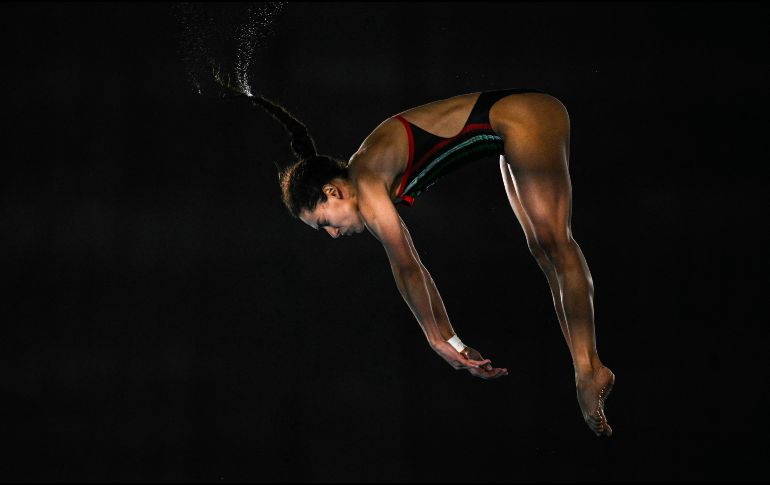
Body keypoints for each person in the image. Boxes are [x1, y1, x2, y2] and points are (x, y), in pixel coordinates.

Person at [249, 88, 615, 437]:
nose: (332, 235)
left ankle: (590, 369)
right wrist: (450, 340)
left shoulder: (367, 180)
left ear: (333, 191)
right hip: (509, 129)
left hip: (527, 116)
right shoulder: (368, 175)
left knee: (555, 243)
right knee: (542, 247)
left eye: (325, 222)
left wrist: (439, 340)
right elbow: (411, 267)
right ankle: (586, 369)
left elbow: (408, 265)